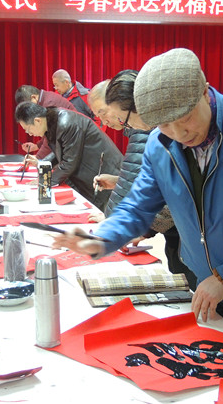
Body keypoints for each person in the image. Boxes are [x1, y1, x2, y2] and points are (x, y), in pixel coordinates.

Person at [52, 48, 223, 385]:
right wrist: (102, 237)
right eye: (163, 123)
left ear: (204, 89)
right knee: (216, 385)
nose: (178, 132)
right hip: (210, 287)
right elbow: (138, 205)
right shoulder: (160, 144)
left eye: (184, 117)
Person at [87, 72, 196, 285]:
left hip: (193, 238)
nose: (109, 122)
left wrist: (138, 227)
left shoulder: (150, 129)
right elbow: (153, 183)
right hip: (183, 238)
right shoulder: (148, 130)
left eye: (104, 112)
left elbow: (177, 192)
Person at [14, 101, 122, 211]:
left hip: (105, 173)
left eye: (28, 129)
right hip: (93, 174)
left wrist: (45, 182)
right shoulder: (53, 122)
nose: (29, 133)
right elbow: (62, 151)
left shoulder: (67, 123)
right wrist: (41, 163)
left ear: (37, 121)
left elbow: (69, 162)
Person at [13, 84, 79, 158]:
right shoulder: (45, 98)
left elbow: (50, 138)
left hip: (75, 140)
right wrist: (37, 146)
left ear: (34, 97)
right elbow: (49, 134)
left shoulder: (48, 105)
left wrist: (38, 158)